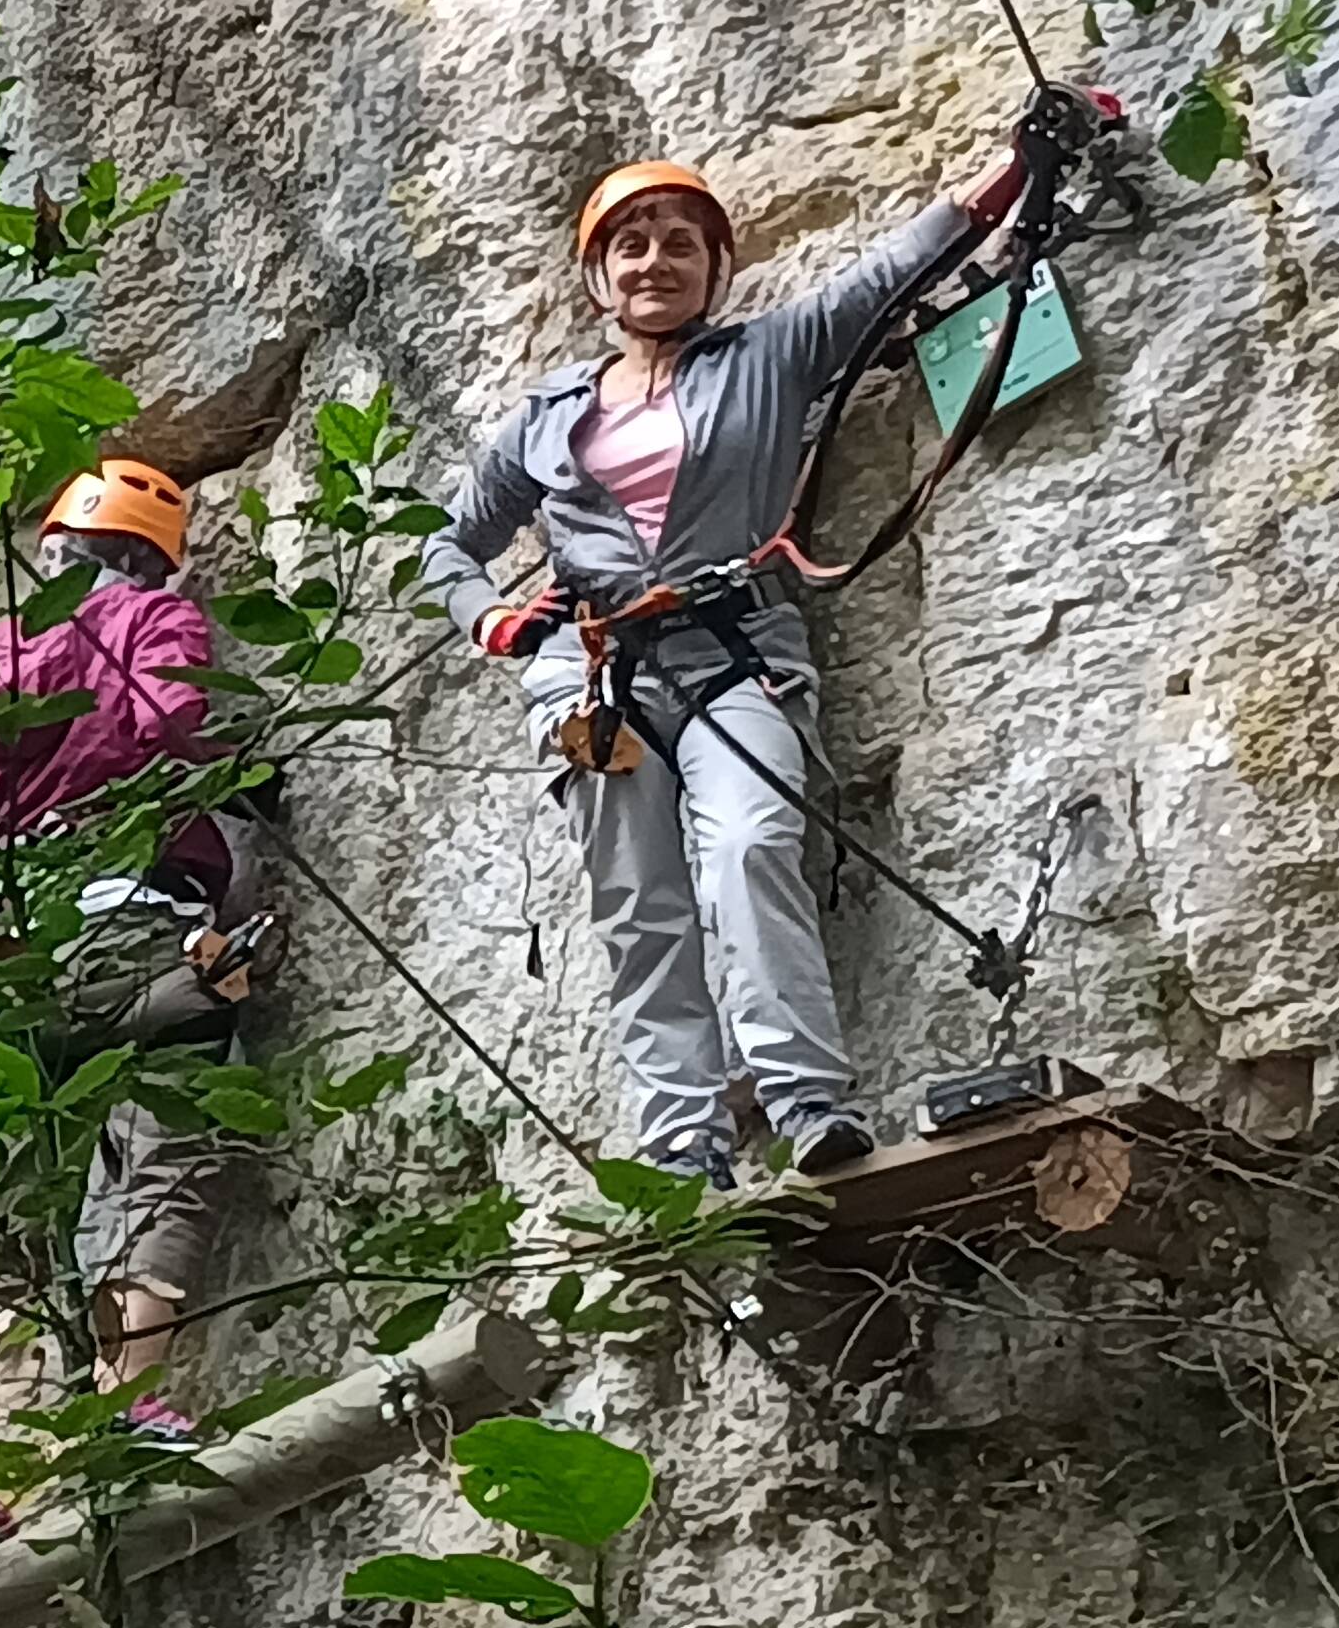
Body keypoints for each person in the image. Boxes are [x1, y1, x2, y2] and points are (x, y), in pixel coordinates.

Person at [433, 125, 1049, 1183]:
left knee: (753, 845)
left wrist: (1019, 167)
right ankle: (681, 1147)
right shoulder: (543, 419)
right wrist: (486, 616)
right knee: (639, 906)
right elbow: (445, 545)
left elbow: (893, 273)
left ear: (715, 270)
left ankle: (803, 1102)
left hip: (732, 650)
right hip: (598, 675)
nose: (653, 262)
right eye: (629, 246)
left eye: (679, 243)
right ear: (596, 279)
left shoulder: (769, 354)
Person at [0, 457, 277, 1535]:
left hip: (13, 962)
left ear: (48, 551)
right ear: (149, 558)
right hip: (132, 924)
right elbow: (170, 723)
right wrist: (239, 771)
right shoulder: (149, 620)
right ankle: (122, 1407)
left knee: (19, 1203)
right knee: (173, 1150)